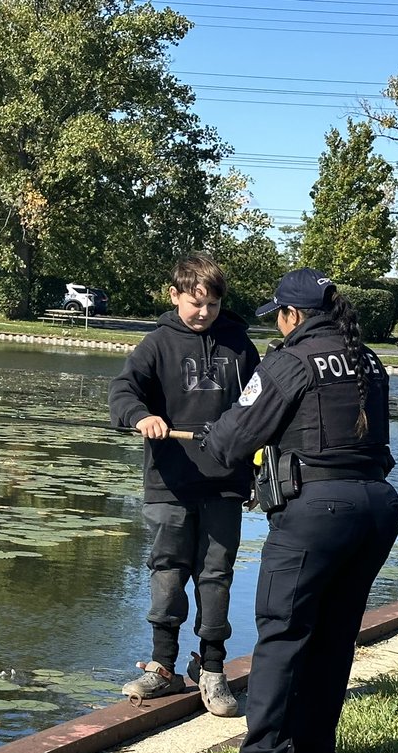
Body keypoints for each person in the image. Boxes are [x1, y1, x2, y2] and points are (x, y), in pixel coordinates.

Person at [201, 267, 398, 753]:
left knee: (283, 633)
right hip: (377, 509)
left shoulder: (290, 361)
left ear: (293, 315)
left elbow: (229, 441)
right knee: (334, 636)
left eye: (280, 318)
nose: (280, 328)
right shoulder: (368, 358)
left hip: (317, 511)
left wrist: (212, 433)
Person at [108, 251, 262, 717]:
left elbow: (261, 409)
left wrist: (254, 467)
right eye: (195, 303)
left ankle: (212, 669)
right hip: (168, 485)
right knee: (168, 574)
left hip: (224, 485)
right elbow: (122, 393)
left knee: (215, 576)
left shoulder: (240, 347)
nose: (203, 313)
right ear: (174, 296)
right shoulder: (155, 345)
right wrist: (142, 416)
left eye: (212, 304)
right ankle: (162, 667)